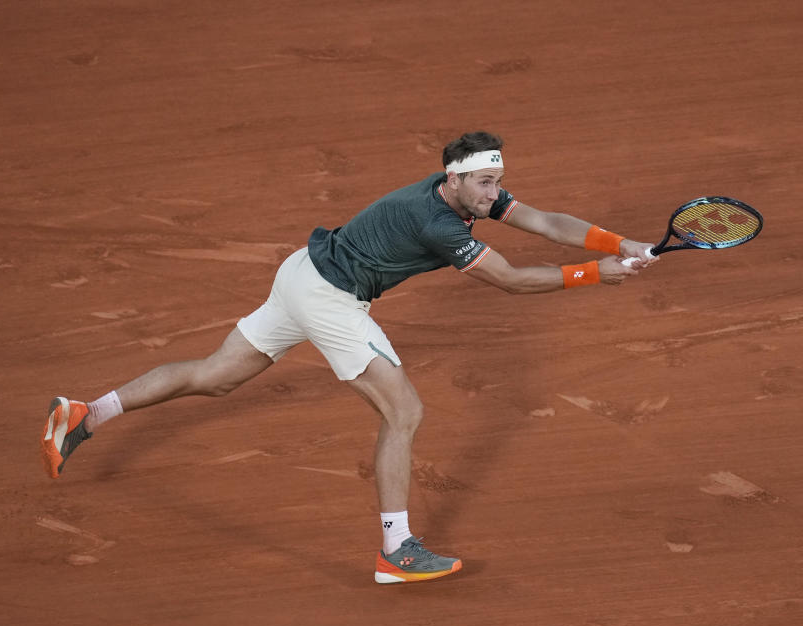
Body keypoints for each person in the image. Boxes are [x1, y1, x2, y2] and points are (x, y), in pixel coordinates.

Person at [40, 131, 657, 584]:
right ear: (455, 180)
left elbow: (544, 221)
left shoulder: (463, 195)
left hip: (302, 273)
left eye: (497, 182)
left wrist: (617, 241)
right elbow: (515, 281)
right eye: (486, 184)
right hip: (330, 299)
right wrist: (593, 276)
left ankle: (84, 415)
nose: (496, 194)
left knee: (216, 376)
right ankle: (397, 549)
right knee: (403, 413)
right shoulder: (441, 226)